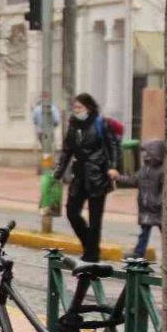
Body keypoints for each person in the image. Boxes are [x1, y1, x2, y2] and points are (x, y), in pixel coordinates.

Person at [54, 93, 119, 263]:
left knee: (95, 219)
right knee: (71, 213)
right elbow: (67, 151)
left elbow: (112, 145)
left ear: (88, 108)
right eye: (74, 108)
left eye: (79, 108)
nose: (76, 111)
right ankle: (90, 245)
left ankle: (92, 254)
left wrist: (113, 166)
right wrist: (59, 173)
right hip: (79, 176)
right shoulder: (73, 126)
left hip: (97, 175)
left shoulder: (100, 123)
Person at [117, 139, 164, 260]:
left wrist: (160, 202)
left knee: (166, 234)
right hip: (146, 208)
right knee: (144, 233)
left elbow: (165, 191)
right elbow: (133, 180)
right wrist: (117, 177)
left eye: (148, 152)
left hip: (159, 209)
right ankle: (139, 253)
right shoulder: (144, 170)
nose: (145, 155)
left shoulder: (162, 171)